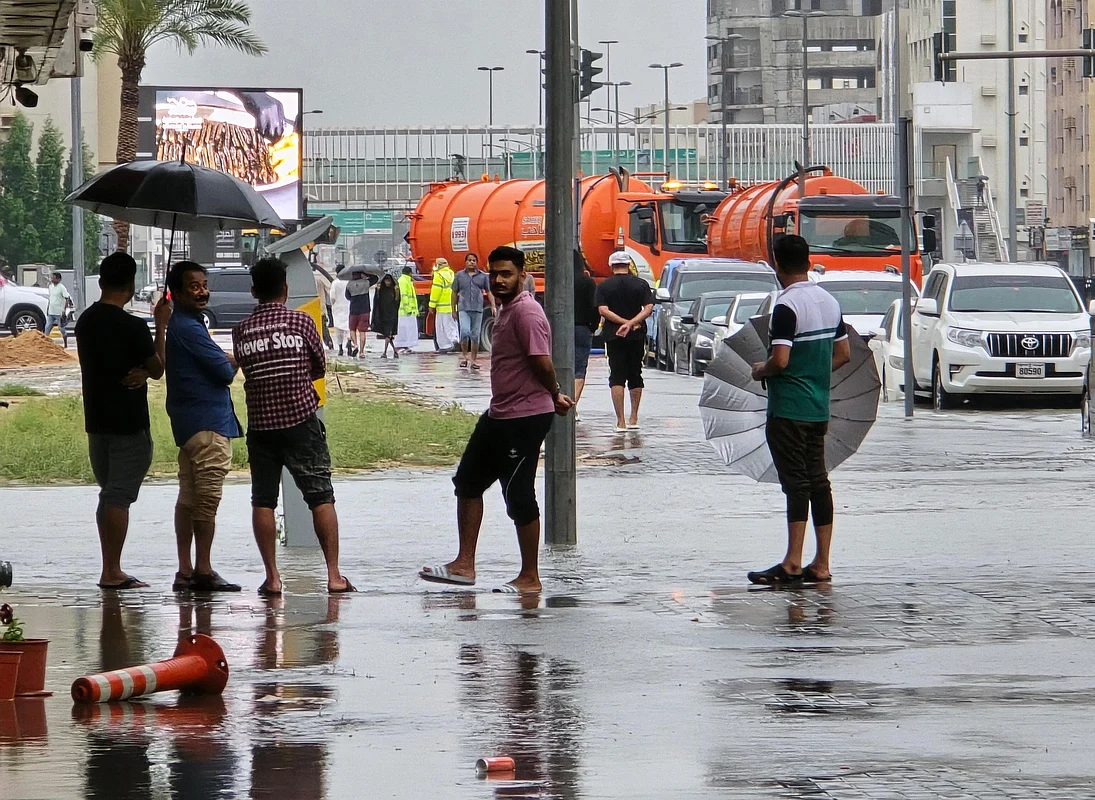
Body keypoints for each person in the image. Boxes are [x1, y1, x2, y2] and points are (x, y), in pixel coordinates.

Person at [419, 246, 574, 594]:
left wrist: (553, 394)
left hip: (526, 418)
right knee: (467, 483)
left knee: (518, 494)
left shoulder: (527, 313)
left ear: (522, 275)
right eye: (495, 274)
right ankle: (464, 565)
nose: (500, 280)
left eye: (507, 274)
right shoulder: (505, 310)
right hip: (499, 413)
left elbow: (541, 361)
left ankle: (530, 577)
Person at [232, 257, 355, 596]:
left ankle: (272, 578)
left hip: (261, 427)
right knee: (321, 496)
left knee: (263, 500)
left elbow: (245, 368)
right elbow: (319, 367)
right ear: (285, 289)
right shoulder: (301, 322)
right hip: (301, 422)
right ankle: (334, 576)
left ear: (254, 291)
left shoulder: (241, 330)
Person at [748, 235, 851, 586]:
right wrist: (813, 373)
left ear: (776, 264)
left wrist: (761, 371)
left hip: (788, 409)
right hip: (818, 407)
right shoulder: (829, 301)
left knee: (796, 484)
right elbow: (843, 355)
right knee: (818, 482)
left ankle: (792, 562)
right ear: (808, 261)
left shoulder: (786, 306)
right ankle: (821, 563)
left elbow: (780, 360)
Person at [75, 252, 170, 590]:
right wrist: (161, 324)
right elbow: (158, 369)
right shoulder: (133, 326)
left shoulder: (85, 322)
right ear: (131, 286)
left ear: (101, 282)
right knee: (117, 496)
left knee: (109, 493)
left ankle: (110, 567)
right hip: (129, 423)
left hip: (97, 421)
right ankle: (112, 571)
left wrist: (141, 370)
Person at [164, 261, 243, 593]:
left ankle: (185, 569)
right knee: (207, 500)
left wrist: (223, 359)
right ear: (176, 293)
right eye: (194, 286)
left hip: (188, 424)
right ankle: (203, 570)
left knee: (188, 497)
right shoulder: (189, 328)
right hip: (208, 425)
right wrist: (234, 359)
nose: (202, 292)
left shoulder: (182, 324)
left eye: (204, 285)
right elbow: (223, 372)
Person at [595, 251, 654, 433]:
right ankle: (634, 417)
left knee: (617, 375)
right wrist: (632, 323)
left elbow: (603, 310)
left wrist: (622, 323)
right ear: (629, 265)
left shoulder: (604, 286)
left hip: (614, 335)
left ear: (611, 266)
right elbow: (648, 308)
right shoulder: (641, 284)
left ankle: (620, 421)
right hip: (636, 334)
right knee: (635, 374)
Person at [452, 253, 496, 369]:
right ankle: (465, 356)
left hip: (477, 309)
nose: (472, 262)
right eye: (469, 260)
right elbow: (454, 293)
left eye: (474, 260)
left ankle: (473, 360)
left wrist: (493, 305)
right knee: (465, 332)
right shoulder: (459, 276)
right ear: (465, 262)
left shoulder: (483, 276)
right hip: (463, 308)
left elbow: (488, 291)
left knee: (475, 335)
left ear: (477, 262)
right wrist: (453, 310)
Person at [345, 268, 377, 358]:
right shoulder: (366, 283)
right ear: (360, 274)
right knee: (362, 332)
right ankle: (362, 352)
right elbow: (375, 278)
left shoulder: (349, 284)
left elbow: (347, 297)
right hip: (365, 310)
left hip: (353, 310)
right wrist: (366, 274)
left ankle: (355, 345)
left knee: (352, 329)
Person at [429, 257, 459, 352]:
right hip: (451, 306)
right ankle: (454, 341)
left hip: (441, 307)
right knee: (451, 326)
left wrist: (431, 305)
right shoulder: (452, 274)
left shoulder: (438, 275)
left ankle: (444, 346)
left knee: (441, 328)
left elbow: (436, 291)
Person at [371, 273, 400, 359]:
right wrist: (377, 291)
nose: (388, 283)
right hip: (383, 315)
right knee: (387, 335)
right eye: (386, 281)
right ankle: (395, 351)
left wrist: (397, 292)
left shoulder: (394, 290)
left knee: (388, 334)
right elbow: (377, 301)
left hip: (392, 315)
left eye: (389, 281)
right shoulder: (381, 290)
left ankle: (385, 352)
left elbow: (397, 301)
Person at [395, 265, 420, 354]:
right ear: (410, 273)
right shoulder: (403, 281)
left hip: (408, 311)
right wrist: (407, 308)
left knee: (408, 329)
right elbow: (404, 296)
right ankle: (399, 346)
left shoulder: (406, 281)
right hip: (404, 311)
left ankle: (406, 345)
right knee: (402, 329)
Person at [44, 271, 73, 347]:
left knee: (61, 328)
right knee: (47, 327)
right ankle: (45, 345)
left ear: (59, 279)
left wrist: (64, 310)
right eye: (52, 278)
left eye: (54, 278)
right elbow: (51, 298)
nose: (52, 279)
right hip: (51, 311)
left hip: (59, 312)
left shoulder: (62, 288)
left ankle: (65, 343)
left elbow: (67, 298)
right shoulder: (50, 287)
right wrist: (48, 308)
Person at [330, 267, 351, 357]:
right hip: (348, 306)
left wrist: (333, 305)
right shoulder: (349, 282)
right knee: (349, 326)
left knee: (338, 328)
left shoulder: (335, 283)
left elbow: (332, 297)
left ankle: (340, 348)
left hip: (338, 307)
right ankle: (349, 341)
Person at [313, 265, 334, 351]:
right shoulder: (319, 280)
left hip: (310, 308)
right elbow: (329, 291)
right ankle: (329, 342)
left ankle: (316, 345)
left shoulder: (306, 282)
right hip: (321, 307)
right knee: (323, 327)